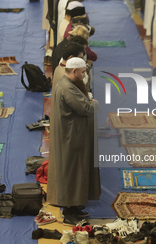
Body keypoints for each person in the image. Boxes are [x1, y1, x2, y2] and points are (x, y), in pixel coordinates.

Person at [48, 57, 100, 220]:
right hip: (71, 137)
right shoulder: (68, 88)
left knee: (75, 172)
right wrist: (94, 103)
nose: (85, 75)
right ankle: (71, 211)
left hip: (71, 134)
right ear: (74, 71)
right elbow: (86, 108)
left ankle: (75, 204)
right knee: (73, 173)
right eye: (83, 72)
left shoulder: (65, 84)